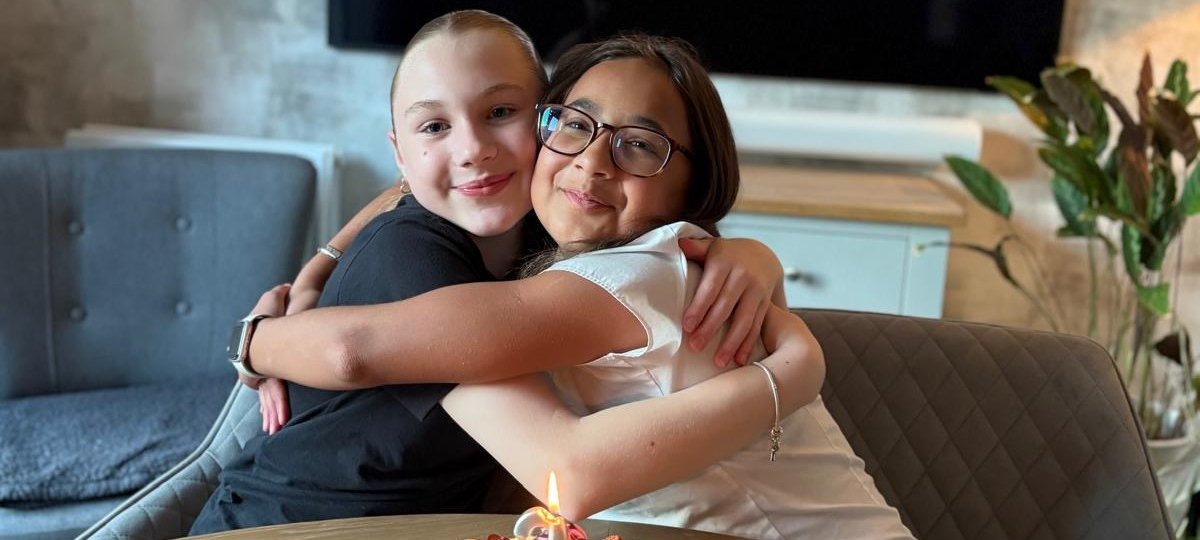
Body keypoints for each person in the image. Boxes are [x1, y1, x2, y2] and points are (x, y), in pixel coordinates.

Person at [240, 34, 915, 540]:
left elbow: (355, 352)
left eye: (639, 144)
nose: (592, 161)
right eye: (575, 125)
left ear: (692, 182)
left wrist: (254, 341)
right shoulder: (578, 253)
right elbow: (423, 182)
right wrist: (321, 263)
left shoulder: (624, 277)